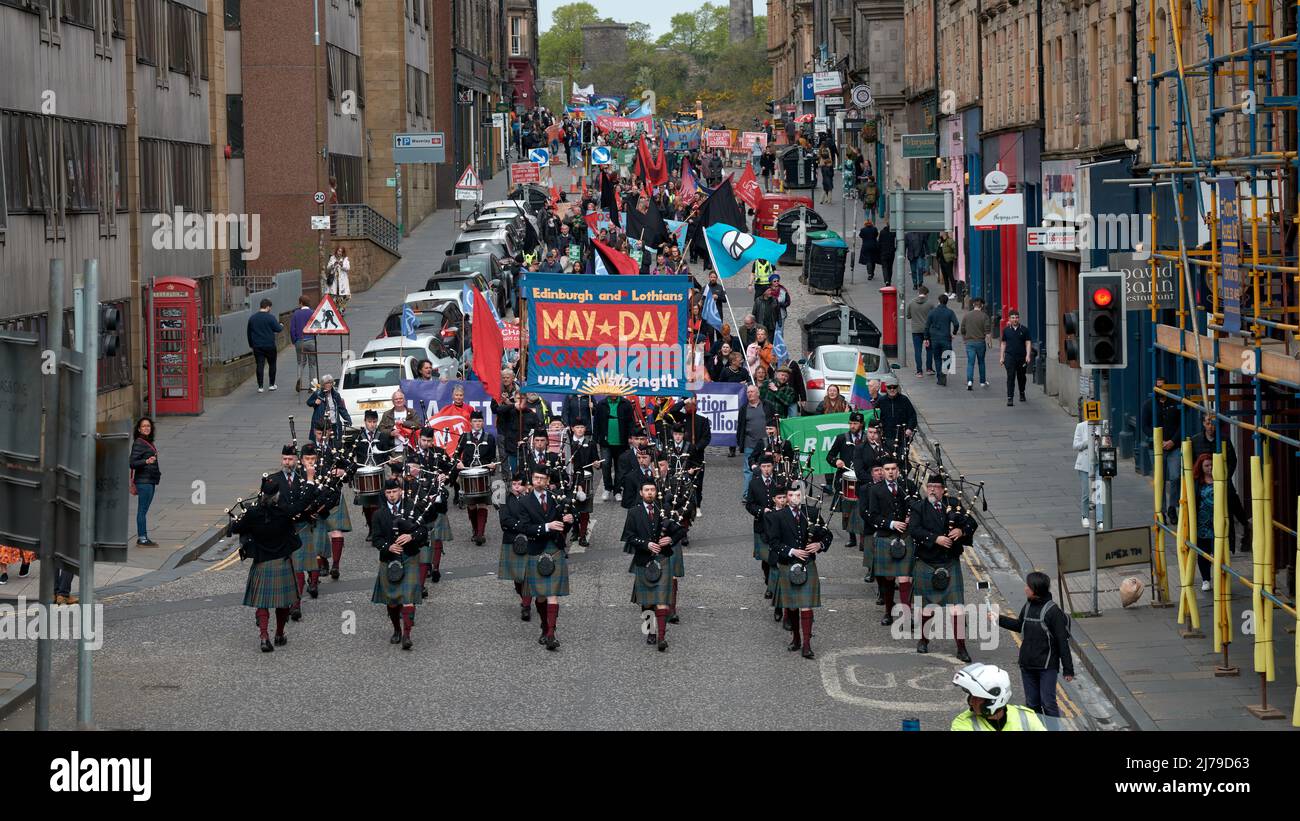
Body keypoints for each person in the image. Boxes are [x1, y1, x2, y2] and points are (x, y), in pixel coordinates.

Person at [230, 475, 308, 652]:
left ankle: (264, 637)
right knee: (282, 603)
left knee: (262, 604)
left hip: (262, 563)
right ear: (277, 495)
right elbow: (300, 508)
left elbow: (236, 529)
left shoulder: (253, 513)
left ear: (262, 494)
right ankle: (279, 634)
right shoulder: (284, 513)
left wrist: (240, 521)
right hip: (281, 562)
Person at [907, 475, 977, 661]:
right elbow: (914, 530)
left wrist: (962, 531)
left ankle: (961, 648)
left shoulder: (953, 504)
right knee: (927, 609)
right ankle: (923, 640)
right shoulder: (918, 507)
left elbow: (972, 523)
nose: (931, 490)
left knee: (957, 609)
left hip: (949, 562)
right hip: (927, 562)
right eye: (929, 486)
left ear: (943, 490)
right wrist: (935, 538)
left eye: (936, 487)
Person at [997, 571, 1075, 719]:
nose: (1025, 588)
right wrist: (998, 619)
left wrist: (1068, 669)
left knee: (1048, 703)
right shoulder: (1028, 606)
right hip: (1027, 665)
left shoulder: (1053, 612)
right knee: (1032, 704)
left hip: (1047, 667)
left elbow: (1062, 642)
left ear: (1036, 589)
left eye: (1028, 586)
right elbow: (1019, 625)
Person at [622, 479, 685, 651]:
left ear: (656, 492)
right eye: (646, 490)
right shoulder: (634, 512)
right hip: (644, 560)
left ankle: (662, 638)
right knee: (647, 602)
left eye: (652, 490)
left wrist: (671, 539)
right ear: (641, 493)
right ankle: (650, 631)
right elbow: (628, 536)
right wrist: (646, 544)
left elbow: (681, 530)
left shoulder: (663, 511)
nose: (649, 492)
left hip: (663, 559)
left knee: (662, 600)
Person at [773, 485, 832, 658]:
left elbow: (827, 535)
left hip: (808, 564)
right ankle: (796, 638)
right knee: (792, 606)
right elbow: (773, 542)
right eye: (790, 495)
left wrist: (819, 545)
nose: (794, 498)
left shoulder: (812, 513)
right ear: (786, 497)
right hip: (788, 563)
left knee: (806, 606)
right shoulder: (777, 517)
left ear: (803, 496)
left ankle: (806, 644)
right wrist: (791, 551)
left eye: (797, 495)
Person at [370, 478, 429, 650]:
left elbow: (423, 530)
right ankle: (396, 629)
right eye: (388, 493)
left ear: (401, 491)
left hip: (409, 556)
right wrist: (388, 547)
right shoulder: (379, 514)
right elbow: (376, 539)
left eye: (394, 491)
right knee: (392, 601)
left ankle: (407, 635)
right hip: (389, 559)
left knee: (408, 597)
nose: (392, 495)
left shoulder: (411, 508)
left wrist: (411, 536)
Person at [520, 466, 572, 651]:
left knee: (552, 595)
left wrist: (567, 522)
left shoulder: (555, 498)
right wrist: (547, 526)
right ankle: (544, 625)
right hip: (536, 549)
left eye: (542, 478)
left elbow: (562, 526)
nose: (539, 481)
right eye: (536, 478)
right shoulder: (524, 501)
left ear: (548, 480)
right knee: (541, 597)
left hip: (555, 548)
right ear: (532, 479)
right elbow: (525, 528)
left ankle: (551, 633)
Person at [863, 457, 916, 626]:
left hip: (904, 537)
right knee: (887, 578)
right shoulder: (875, 490)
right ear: (883, 471)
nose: (890, 472)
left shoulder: (907, 487)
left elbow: (918, 507)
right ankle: (888, 611)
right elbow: (872, 516)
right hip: (886, 536)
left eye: (893, 468)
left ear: (898, 470)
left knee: (905, 578)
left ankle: (906, 615)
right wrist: (892, 523)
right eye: (887, 469)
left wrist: (911, 517)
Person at [950, 663, 1047, 731]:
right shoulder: (962, 724)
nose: (971, 702)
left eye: (977, 698)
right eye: (971, 696)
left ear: (993, 700)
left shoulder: (1026, 717)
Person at [1140, 376, 1183, 520]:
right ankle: (1162, 510)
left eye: (1163, 387)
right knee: (1160, 479)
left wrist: (1173, 440)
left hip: (1174, 446)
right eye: (1158, 387)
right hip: (1156, 448)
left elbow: (1181, 424)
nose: (1160, 390)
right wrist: (1156, 439)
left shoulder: (1175, 404)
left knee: (1176, 476)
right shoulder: (1148, 405)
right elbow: (1144, 426)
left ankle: (1172, 507)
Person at [455, 410, 498, 545]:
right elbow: (456, 455)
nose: (477, 423)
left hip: (482, 474)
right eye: (475, 421)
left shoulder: (489, 438)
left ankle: (480, 534)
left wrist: (492, 464)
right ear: (470, 422)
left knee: (482, 503)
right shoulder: (464, 437)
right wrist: (459, 463)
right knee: (471, 504)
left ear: (483, 422)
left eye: (479, 421)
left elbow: (492, 457)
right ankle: (475, 530)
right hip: (468, 474)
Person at [826, 411, 865, 546]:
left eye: (855, 423)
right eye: (851, 423)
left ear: (861, 424)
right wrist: (836, 461)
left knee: (862, 509)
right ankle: (852, 537)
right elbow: (829, 456)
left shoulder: (867, 438)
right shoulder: (842, 438)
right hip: (845, 479)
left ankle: (863, 538)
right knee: (846, 510)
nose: (852, 426)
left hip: (862, 479)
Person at [497, 474, 533, 621]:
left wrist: (521, 526)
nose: (516, 487)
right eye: (514, 484)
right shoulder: (505, 499)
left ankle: (526, 605)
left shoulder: (531, 498)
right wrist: (522, 526)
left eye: (519, 484)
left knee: (527, 577)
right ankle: (522, 596)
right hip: (511, 540)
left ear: (525, 486)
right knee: (517, 578)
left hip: (530, 541)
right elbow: (504, 521)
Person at [745, 455, 779, 597]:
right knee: (765, 559)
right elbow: (749, 505)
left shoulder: (779, 481)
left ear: (773, 467)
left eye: (769, 466)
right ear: (760, 468)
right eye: (764, 467)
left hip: (778, 525)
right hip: (761, 525)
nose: (766, 469)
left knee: (774, 558)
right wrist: (761, 510)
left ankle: (772, 588)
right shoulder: (754, 483)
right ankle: (768, 580)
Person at [595, 394, 634, 502]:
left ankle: (617, 490)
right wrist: (595, 438)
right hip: (605, 442)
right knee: (606, 464)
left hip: (621, 441)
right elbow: (596, 422)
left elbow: (631, 421)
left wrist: (631, 436)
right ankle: (607, 488)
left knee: (620, 467)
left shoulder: (626, 403)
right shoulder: (601, 404)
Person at [129, 416, 161, 547]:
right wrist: (146, 461)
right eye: (143, 426)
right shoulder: (139, 442)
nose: (146, 428)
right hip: (144, 482)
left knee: (144, 510)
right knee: (142, 511)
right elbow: (132, 463)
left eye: (148, 426)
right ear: (139, 429)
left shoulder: (146, 442)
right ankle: (142, 538)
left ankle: (142, 536)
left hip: (149, 480)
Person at [246, 298, 283, 393]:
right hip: (269, 345)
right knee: (272, 364)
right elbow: (278, 329)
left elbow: (249, 333)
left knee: (260, 365)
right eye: (270, 307)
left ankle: (260, 386)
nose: (270, 309)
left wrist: (251, 344)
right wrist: (281, 325)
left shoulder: (252, 318)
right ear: (267, 307)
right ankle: (271, 384)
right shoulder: (270, 317)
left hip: (257, 346)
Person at [924, 294, 960, 386]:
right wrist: (954, 333)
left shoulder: (932, 312)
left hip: (934, 339)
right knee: (948, 357)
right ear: (947, 302)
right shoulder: (950, 312)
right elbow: (956, 324)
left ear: (939, 301)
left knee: (937, 358)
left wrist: (926, 338)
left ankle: (940, 378)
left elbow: (927, 326)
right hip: (946, 338)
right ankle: (945, 370)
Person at [999, 308, 1033, 406]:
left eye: (1017, 318)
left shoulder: (1024, 330)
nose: (1015, 319)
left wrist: (1028, 355)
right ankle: (1010, 398)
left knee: (1021, 377)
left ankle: (1022, 392)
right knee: (1010, 377)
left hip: (1021, 357)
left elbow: (1028, 342)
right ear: (1009, 319)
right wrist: (1002, 357)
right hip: (1010, 357)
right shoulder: (1006, 331)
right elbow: (1003, 343)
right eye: (1013, 318)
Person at [1073, 418, 1102, 529]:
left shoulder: (1102, 425)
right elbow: (1075, 446)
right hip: (1085, 464)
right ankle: (1085, 516)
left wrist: (1100, 441)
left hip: (1098, 463)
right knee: (1086, 492)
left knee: (1099, 492)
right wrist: (1089, 441)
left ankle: (1100, 519)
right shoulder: (1081, 426)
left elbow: (1107, 444)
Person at [873, 382, 917, 454]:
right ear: (886, 389)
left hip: (902, 435)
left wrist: (910, 428)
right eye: (889, 387)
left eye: (894, 387)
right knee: (887, 458)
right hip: (887, 435)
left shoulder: (904, 400)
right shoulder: (881, 401)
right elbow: (874, 414)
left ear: (897, 388)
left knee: (902, 457)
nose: (892, 390)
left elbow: (912, 416)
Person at [306, 375, 351, 443]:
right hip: (321, 424)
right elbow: (309, 402)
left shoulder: (336, 395)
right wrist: (315, 402)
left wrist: (348, 418)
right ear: (323, 385)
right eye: (327, 383)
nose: (329, 385)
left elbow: (341, 408)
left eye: (330, 383)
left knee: (334, 443)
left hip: (333, 423)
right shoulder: (318, 393)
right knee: (321, 442)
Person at [960, 297, 991, 389]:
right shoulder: (984, 316)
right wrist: (989, 343)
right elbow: (987, 332)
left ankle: (969, 381)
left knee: (970, 363)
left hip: (969, 342)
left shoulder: (966, 316)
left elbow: (962, 329)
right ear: (982, 305)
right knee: (981, 362)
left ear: (973, 305)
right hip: (980, 342)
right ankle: (982, 381)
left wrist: (965, 339)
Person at [289, 295, 317, 391]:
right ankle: (312, 386)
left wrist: (295, 341)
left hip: (299, 341)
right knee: (312, 364)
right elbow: (316, 326)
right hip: (311, 341)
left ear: (301, 303)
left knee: (300, 363)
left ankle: (299, 379)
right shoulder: (313, 313)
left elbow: (292, 329)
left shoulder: (296, 314)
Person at [906, 287, 934, 377]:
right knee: (929, 350)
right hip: (928, 331)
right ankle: (929, 369)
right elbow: (934, 317)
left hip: (916, 330)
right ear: (927, 293)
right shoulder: (930, 304)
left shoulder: (911, 303)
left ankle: (919, 371)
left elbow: (908, 316)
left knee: (917, 351)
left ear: (918, 292)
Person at [324, 246, 351, 312]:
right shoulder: (332, 258)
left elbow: (348, 268)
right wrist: (333, 265)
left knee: (343, 296)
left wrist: (342, 265)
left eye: (341, 251)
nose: (340, 253)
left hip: (342, 281)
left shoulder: (345, 259)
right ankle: (335, 311)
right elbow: (328, 267)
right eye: (339, 251)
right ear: (336, 251)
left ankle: (341, 311)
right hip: (334, 280)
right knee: (334, 296)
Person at [937, 231, 957, 297]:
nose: (940, 233)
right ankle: (946, 291)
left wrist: (953, 256)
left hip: (947, 261)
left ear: (945, 233)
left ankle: (954, 292)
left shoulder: (949, 241)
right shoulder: (941, 241)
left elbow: (955, 248)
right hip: (942, 261)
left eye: (941, 232)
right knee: (945, 277)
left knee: (950, 276)